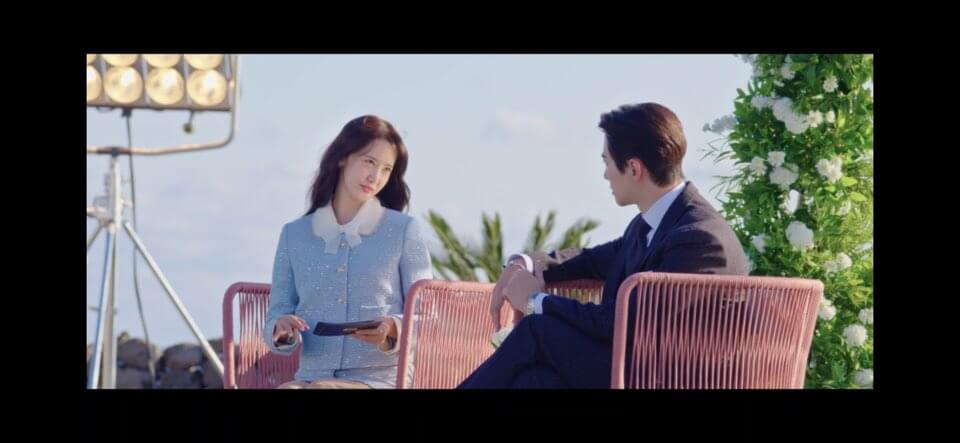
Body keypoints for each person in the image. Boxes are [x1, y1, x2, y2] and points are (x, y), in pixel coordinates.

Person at [458, 103, 748, 389]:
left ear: (633, 168)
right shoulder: (652, 223)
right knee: (535, 381)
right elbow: (587, 260)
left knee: (537, 330)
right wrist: (524, 263)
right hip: (634, 368)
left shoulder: (699, 238)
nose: (605, 175)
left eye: (607, 162)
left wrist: (536, 302)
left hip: (669, 378)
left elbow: (626, 322)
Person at [264, 115, 432, 389]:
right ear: (343, 157)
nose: (375, 177)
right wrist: (281, 328)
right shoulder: (294, 234)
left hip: (380, 378)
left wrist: (392, 327)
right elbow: (278, 310)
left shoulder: (403, 230)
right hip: (311, 374)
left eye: (386, 169)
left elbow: (428, 314)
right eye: (369, 162)